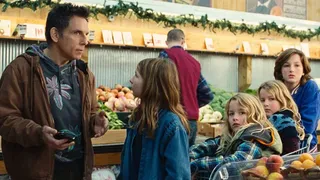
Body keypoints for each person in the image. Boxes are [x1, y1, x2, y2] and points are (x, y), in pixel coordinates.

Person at [0, 4, 108, 180]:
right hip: (37, 172)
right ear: (55, 35)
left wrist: (95, 122)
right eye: (77, 33)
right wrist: (38, 133)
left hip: (78, 171)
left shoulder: (84, 74)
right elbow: (4, 119)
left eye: (86, 34)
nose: (85, 41)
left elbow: (90, 112)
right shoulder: (20, 70)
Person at [120, 58, 191, 180]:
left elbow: (178, 175)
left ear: (151, 83)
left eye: (136, 75)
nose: (131, 80)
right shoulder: (136, 119)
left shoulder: (171, 126)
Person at [189, 93, 282, 176]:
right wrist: (189, 155)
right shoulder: (233, 135)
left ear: (255, 114)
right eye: (231, 114)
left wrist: (197, 164)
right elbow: (212, 144)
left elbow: (238, 162)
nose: (235, 118)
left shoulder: (256, 135)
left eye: (242, 113)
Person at [159, 28, 214, 146]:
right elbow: (207, 94)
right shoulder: (194, 63)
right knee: (187, 159)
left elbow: (158, 85)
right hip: (191, 120)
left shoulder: (165, 56)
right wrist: (192, 104)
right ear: (183, 42)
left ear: (166, 42)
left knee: (167, 161)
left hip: (171, 117)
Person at [274, 48, 320, 152]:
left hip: (303, 146)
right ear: (280, 70)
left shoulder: (310, 87)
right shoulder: (274, 89)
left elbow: (308, 125)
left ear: (304, 70)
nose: (291, 69)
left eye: (297, 65)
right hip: (276, 144)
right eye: (286, 65)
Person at [258, 80, 305, 155]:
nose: (265, 104)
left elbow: (291, 152)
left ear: (283, 100)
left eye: (272, 99)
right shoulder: (286, 118)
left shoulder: (282, 120)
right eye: (262, 100)